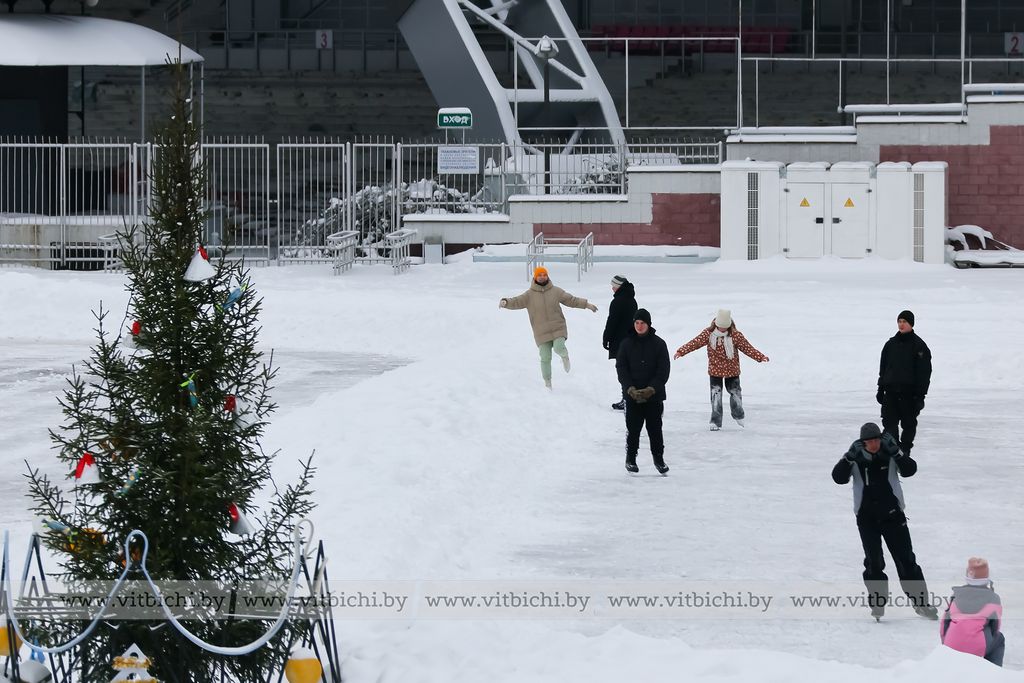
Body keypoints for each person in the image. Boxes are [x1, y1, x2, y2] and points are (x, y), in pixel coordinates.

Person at [832, 422, 938, 622]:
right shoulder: (855, 459)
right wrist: (847, 458)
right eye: (869, 441)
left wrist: (897, 452)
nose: (873, 444)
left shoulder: (890, 455)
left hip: (893, 517)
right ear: (862, 443)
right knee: (874, 562)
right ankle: (877, 604)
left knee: (906, 561)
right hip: (867, 520)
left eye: (876, 440)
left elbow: (910, 470)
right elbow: (838, 478)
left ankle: (921, 603)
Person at [499, 266, 598, 389]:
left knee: (558, 347)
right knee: (545, 357)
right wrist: (506, 302)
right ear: (535, 277)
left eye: (544, 275)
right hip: (541, 331)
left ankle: (565, 356)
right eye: (539, 275)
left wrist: (587, 305)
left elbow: (571, 300)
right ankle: (548, 383)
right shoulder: (529, 295)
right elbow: (516, 301)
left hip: (558, 327)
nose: (542, 277)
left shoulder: (555, 291)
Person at [673, 309, 769, 431]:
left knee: (735, 393)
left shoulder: (735, 335)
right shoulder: (708, 334)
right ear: (716, 324)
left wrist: (760, 357)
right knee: (716, 395)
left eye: (725, 327)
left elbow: (747, 347)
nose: (723, 329)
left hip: (732, 370)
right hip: (715, 370)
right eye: (720, 326)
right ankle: (715, 422)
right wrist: (681, 351)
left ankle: (738, 415)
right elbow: (694, 343)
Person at [616, 309, 670, 474]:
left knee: (655, 429)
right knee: (633, 429)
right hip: (632, 396)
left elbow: (663, 370)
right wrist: (630, 388)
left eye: (643, 323)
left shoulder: (659, 344)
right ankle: (631, 458)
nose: (639, 326)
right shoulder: (626, 344)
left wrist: (651, 389)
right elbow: (621, 368)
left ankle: (658, 459)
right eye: (637, 323)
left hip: (654, 397)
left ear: (649, 324)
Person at [877, 309, 932, 457]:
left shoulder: (919, 346)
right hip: (890, 393)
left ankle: (905, 452)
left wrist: (920, 396)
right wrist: (880, 389)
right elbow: (883, 369)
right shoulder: (890, 345)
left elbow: (924, 373)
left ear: (911, 324)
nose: (901, 324)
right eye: (899, 321)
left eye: (905, 322)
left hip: (909, 395)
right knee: (889, 425)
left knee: (909, 425)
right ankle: (892, 450)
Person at [940, 557, 1005, 666]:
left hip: (951, 644)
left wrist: (946, 643)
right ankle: (992, 671)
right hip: (977, 646)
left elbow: (944, 623)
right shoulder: (993, 598)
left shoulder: (956, 596)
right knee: (999, 639)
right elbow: (995, 627)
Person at [603, 275, 638, 411]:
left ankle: (627, 400)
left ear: (618, 286)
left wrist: (606, 337)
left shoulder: (618, 301)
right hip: (632, 340)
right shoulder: (632, 299)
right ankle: (631, 398)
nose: (612, 288)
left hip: (620, 341)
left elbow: (612, 321)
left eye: (613, 286)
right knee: (630, 370)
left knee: (623, 371)